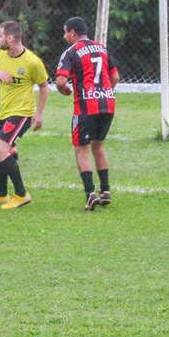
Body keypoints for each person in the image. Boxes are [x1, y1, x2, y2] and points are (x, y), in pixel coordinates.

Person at [55, 16, 120, 210]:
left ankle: (90, 193)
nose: (65, 36)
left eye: (65, 32)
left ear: (73, 33)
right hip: (107, 104)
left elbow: (60, 81)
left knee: (81, 149)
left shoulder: (71, 52)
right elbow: (115, 76)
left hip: (86, 106)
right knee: (98, 146)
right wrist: (104, 90)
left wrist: (64, 89)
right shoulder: (102, 49)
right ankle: (106, 191)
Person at [0, 20, 49, 209]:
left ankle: (21, 194)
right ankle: (1, 194)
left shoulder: (32, 62)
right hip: (3, 112)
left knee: (0, 151)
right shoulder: (0, 53)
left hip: (21, 114)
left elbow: (44, 86)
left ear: (10, 38)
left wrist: (39, 113)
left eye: (0, 35)